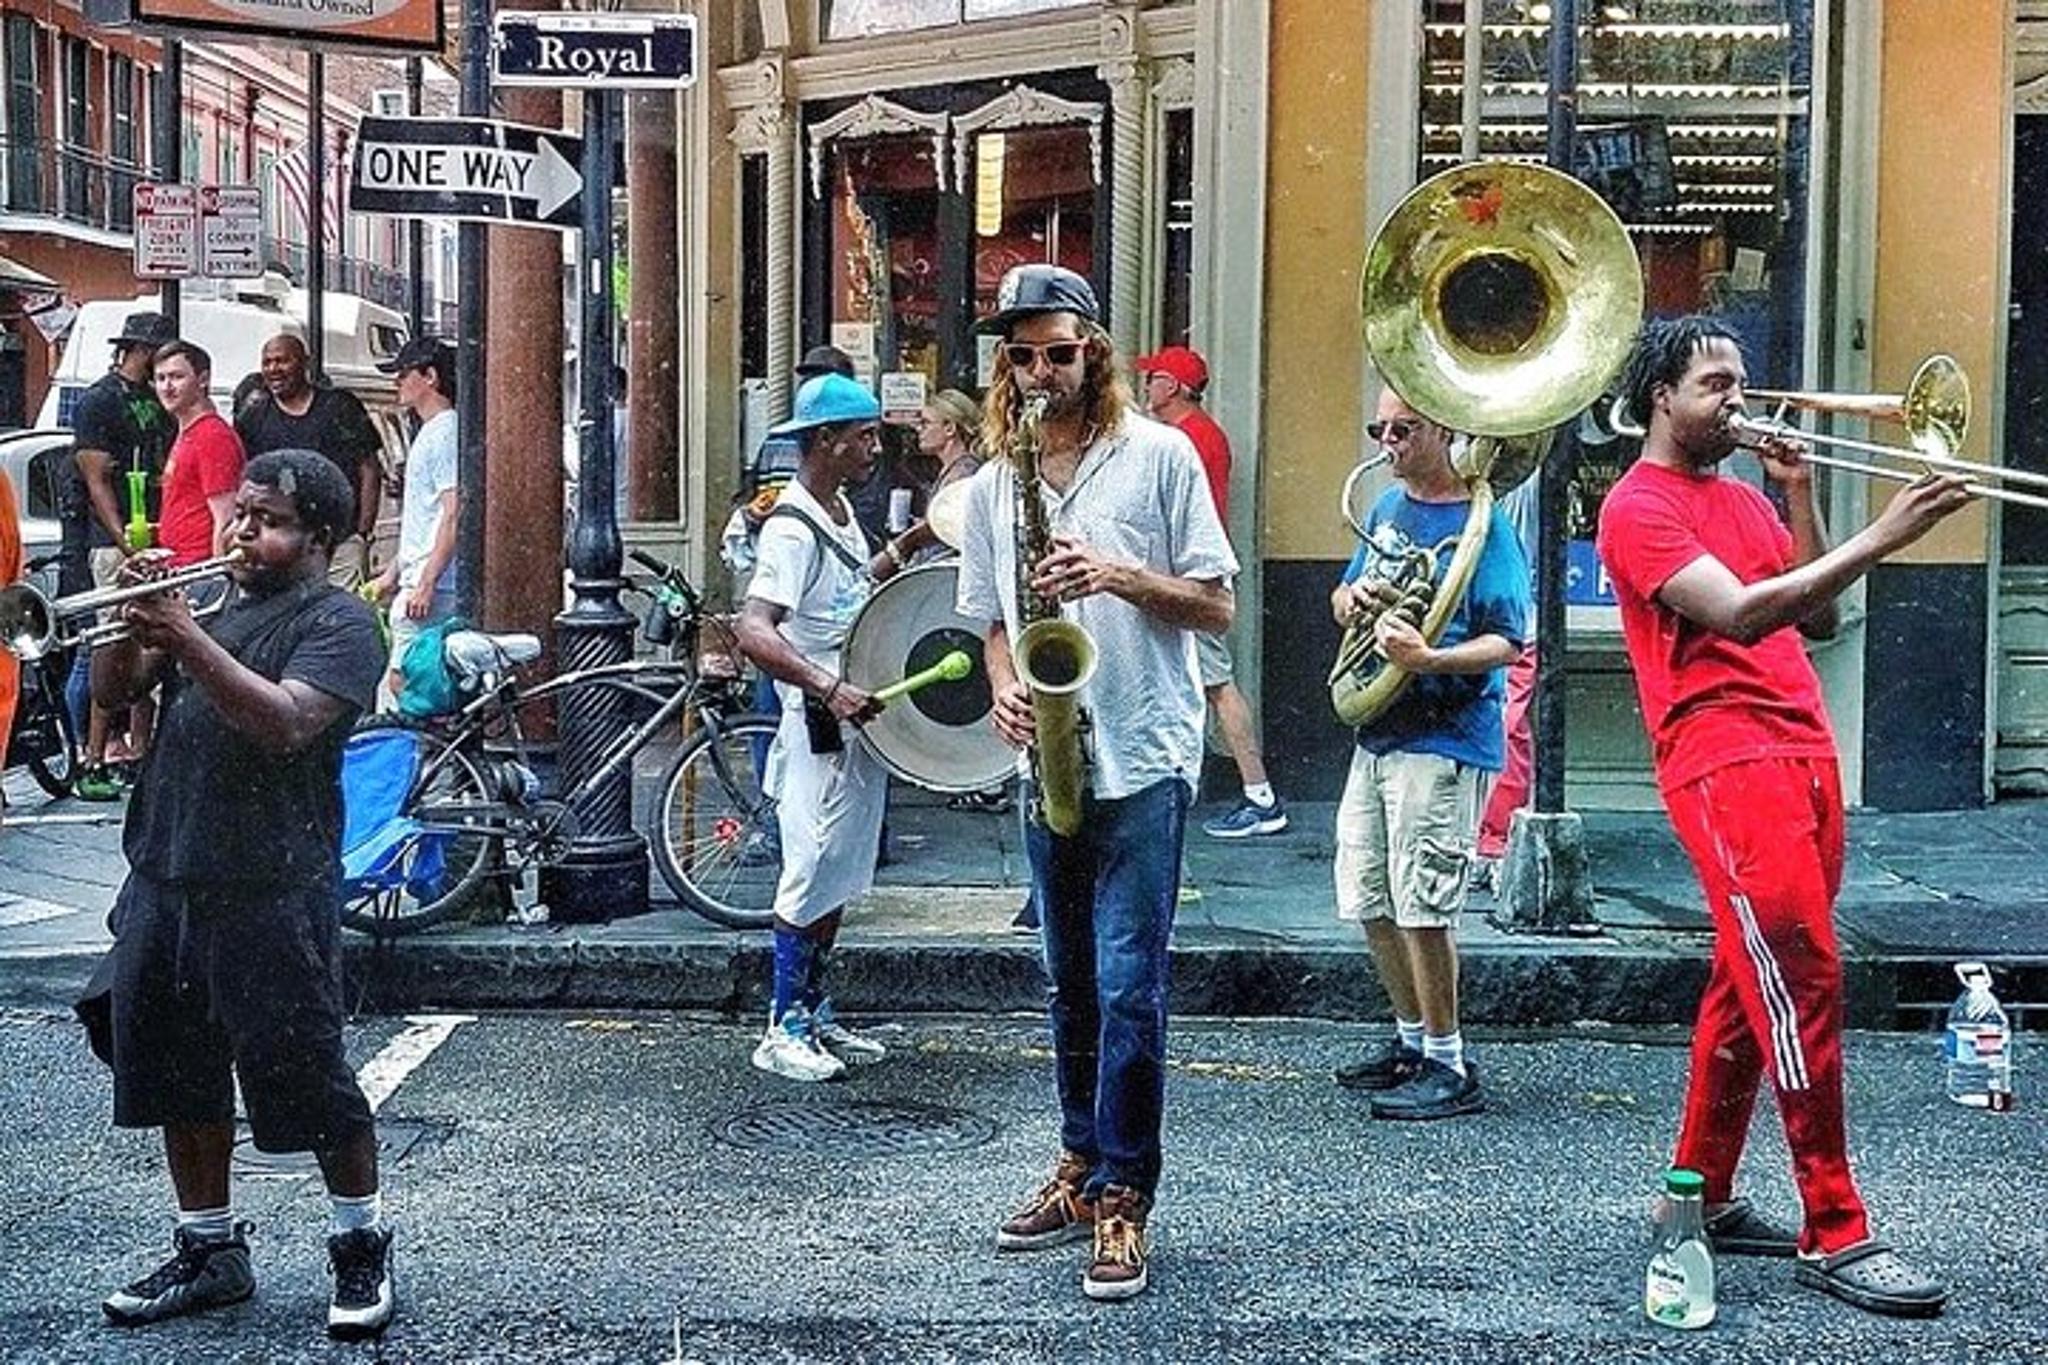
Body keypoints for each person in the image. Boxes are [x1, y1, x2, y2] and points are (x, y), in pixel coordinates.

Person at [1596, 315, 1968, 1318]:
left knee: (1744, 979)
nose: (1738, 398)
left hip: (1800, 746)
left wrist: (1800, 496)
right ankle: (1833, 1226)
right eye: (1714, 383)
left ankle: (1701, 1196)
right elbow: (1742, 614)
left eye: (1738, 380)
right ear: (1658, 398)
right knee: (1798, 975)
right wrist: (1884, 532)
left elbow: (1817, 618)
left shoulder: (1745, 497)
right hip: (1721, 759)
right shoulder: (1636, 509)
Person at [957, 264, 1236, 1301]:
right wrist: (1000, 690)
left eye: (1058, 352)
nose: (1040, 372)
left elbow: (1216, 609)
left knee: (1129, 988)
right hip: (1050, 759)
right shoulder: (995, 482)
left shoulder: (1158, 456)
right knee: (1066, 984)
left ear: (1094, 352)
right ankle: (1079, 1161)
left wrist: (1111, 573)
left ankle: (1125, 1191)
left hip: (1148, 750)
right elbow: (989, 621)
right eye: (1020, 356)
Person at [84, 449, 396, 1339]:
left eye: (267, 521)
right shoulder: (210, 599)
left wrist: (185, 634)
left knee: (308, 1076)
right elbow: (112, 691)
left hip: (273, 879)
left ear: (319, 538)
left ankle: (359, 1238)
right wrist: (125, 617)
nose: (241, 531)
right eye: (241, 514)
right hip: (167, 867)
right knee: (175, 1068)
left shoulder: (340, 622)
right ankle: (210, 1248)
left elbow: (289, 721)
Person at [1329, 386, 1528, 1122]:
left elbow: (1508, 641)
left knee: (1425, 902)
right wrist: (1352, 603)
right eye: (1378, 427)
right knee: (1370, 893)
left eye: (1403, 429)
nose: (1387, 442)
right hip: (1379, 728)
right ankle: (1412, 1038)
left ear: (1446, 432)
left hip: (1445, 734)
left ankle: (1448, 1057)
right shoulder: (1385, 511)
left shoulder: (1488, 526)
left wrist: (1426, 657)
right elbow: (1345, 595)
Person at [735, 371, 921, 1084]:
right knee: (809, 866)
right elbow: (757, 629)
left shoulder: (837, 507)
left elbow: (850, 588)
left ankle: (816, 1012)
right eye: (863, 435)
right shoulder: (789, 524)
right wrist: (827, 685)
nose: (875, 446)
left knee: (839, 868)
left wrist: (908, 543)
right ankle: (781, 1025)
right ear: (825, 441)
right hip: (820, 718)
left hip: (852, 716)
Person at [1136, 344, 1288, 838]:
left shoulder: (1189, 439)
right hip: (1183, 577)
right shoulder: (1195, 435)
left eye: (1154, 377)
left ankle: (1260, 795)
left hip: (1186, 581)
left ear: (1175, 387)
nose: (1146, 385)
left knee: (1218, 684)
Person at [62, 310, 175, 801]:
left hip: (152, 533)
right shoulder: (99, 401)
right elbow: (95, 478)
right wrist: (125, 540)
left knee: (149, 643)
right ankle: (92, 755)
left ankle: (138, 750)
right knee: (108, 641)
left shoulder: (152, 397)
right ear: (142, 350)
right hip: (113, 543)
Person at [233, 334, 384, 589]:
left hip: (341, 542)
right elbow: (244, 478)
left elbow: (369, 467)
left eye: (282, 361)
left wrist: (363, 533)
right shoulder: (254, 416)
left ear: (305, 363)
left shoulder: (340, 407)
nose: (274, 369)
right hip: (282, 543)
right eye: (267, 362)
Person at [367, 338, 460, 705]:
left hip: (430, 586)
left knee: (403, 683)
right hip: (423, 577)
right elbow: (428, 518)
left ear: (430, 377)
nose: (397, 384)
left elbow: (453, 512)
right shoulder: (434, 431)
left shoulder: (442, 432)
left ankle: (418, 754)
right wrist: (393, 574)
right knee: (413, 680)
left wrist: (426, 582)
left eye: (404, 375)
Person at [1472, 478, 1539, 888]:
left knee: (1505, 726)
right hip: (1471, 622)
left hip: (1513, 623)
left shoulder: (1523, 476)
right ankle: (1481, 836)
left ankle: (1495, 839)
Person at [152, 341, 246, 568]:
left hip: (198, 571)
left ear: (203, 380)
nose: (167, 387)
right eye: (160, 378)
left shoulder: (212, 435)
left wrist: (216, 576)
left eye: (176, 377)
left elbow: (226, 518)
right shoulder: (188, 432)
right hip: (177, 565)